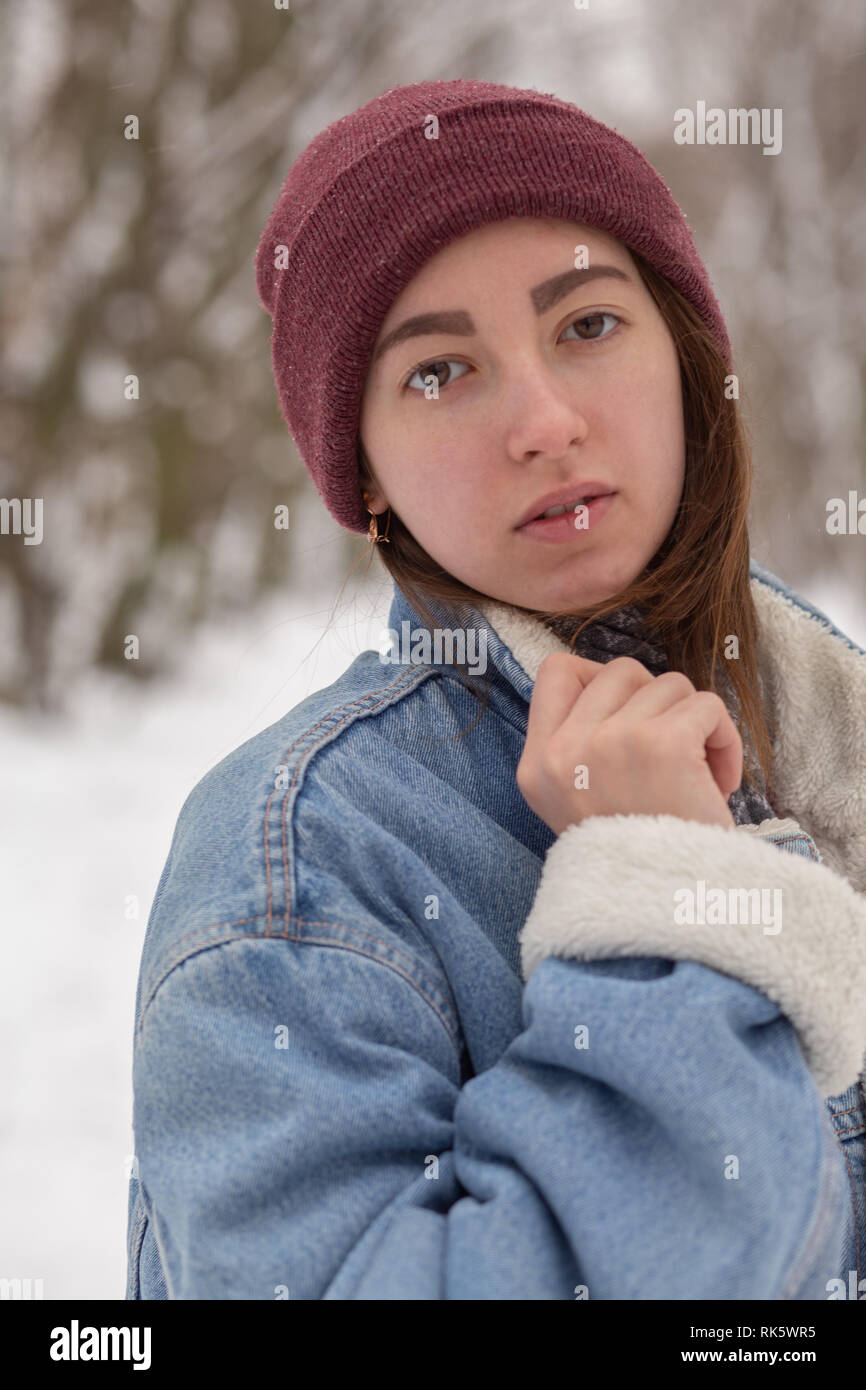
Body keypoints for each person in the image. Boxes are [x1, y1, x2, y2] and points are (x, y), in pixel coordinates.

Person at [125, 79, 866, 1301]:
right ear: (361, 476)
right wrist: (662, 903)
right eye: (437, 372)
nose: (542, 420)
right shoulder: (299, 859)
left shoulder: (824, 724)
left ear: (683, 355)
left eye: (584, 325)